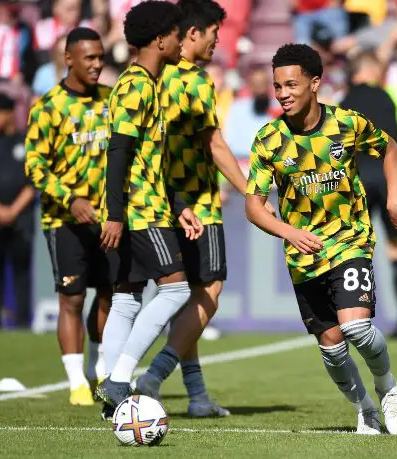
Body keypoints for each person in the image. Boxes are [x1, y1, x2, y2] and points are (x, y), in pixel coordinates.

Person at [245, 43, 397, 435]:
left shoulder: (347, 123)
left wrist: (393, 203)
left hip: (349, 240)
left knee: (356, 328)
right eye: (277, 86)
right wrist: (290, 233)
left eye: (291, 84)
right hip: (304, 254)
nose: (283, 93)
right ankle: (365, 409)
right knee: (331, 344)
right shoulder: (269, 139)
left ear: (315, 83)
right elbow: (253, 206)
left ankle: (388, 389)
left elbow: (390, 149)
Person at [134, 0, 273, 418]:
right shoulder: (193, 80)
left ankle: (196, 396)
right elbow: (213, 144)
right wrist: (251, 191)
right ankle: (152, 376)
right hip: (196, 201)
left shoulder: (153, 75)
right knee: (209, 289)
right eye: (214, 31)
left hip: (158, 200)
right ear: (193, 32)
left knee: (183, 297)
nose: (218, 40)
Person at [96, 1, 202, 416]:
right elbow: (118, 151)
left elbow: (147, 156)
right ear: (161, 39)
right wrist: (116, 213)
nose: (182, 40)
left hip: (150, 206)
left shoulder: (143, 84)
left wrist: (179, 205)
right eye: (177, 33)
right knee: (176, 289)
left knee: (126, 299)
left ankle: (112, 400)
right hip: (140, 212)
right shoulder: (137, 85)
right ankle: (120, 379)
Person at [24, 27, 112, 406]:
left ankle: (101, 371)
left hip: (109, 219)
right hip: (65, 220)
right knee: (72, 299)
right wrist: (70, 198)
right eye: (89, 58)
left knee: (112, 296)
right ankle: (77, 382)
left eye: (100, 56)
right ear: (69, 59)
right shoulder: (48, 107)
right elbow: (35, 166)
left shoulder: (112, 100)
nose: (96, 64)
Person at [340, 49, 397, 340]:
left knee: (353, 248)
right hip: (390, 177)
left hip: (358, 179)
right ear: (370, 71)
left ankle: (353, 319)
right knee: (396, 249)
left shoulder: (342, 104)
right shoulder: (393, 96)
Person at [0, 93, 35, 329]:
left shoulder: (25, 142)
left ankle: (22, 324)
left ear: (9, 114)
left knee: (22, 272)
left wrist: (14, 210)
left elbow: (33, 182)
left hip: (22, 219)